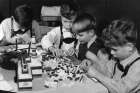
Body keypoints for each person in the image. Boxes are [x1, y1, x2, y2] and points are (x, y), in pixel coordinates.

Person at [86, 18, 140, 93]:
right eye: (110, 49)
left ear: (129, 47)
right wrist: (92, 65)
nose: (111, 52)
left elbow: (121, 90)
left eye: (115, 49)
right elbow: (107, 73)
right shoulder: (118, 57)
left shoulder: (138, 67)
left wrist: (96, 74)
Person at [0, 4, 41, 69]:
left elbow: (40, 44)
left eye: (26, 27)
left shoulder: (34, 24)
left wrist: (32, 41)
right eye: (20, 26)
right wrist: (7, 40)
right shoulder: (5, 24)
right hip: (9, 60)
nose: (23, 30)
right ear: (13, 19)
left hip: (29, 59)